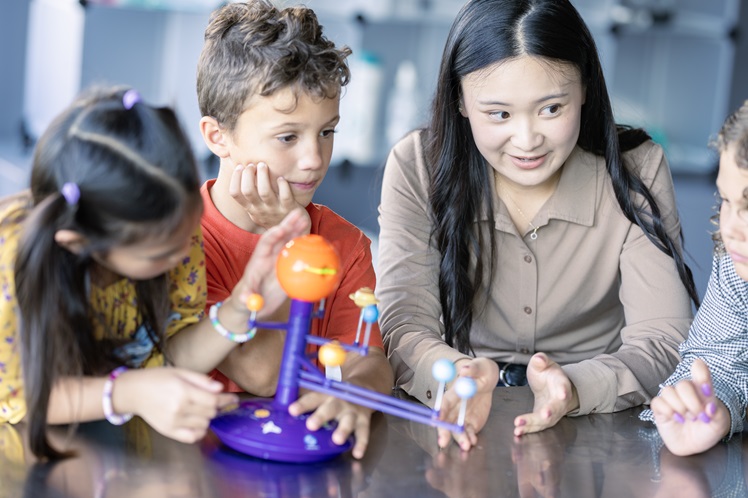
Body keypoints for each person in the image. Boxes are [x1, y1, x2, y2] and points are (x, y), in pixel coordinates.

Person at [376, 0, 699, 451]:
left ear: (584, 88)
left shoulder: (635, 169)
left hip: (602, 427)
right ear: (460, 101)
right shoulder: (417, 166)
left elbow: (664, 339)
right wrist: (456, 375)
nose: (527, 141)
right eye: (499, 114)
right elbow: (403, 322)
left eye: (551, 109)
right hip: (461, 412)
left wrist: (575, 387)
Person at [0, 86, 310, 460]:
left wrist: (243, 303)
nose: (183, 255)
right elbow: (15, 396)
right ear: (79, 243)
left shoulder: (174, 231)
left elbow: (169, 356)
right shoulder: (12, 264)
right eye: (159, 255)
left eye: (188, 232)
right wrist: (128, 392)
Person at [195, 0, 393, 459]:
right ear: (217, 136)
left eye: (327, 132)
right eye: (288, 137)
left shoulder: (347, 244)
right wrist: (291, 243)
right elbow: (263, 376)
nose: (313, 159)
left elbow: (372, 362)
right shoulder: (183, 239)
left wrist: (354, 394)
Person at [642, 101, 748, 457]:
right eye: (728, 201)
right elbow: (718, 359)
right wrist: (712, 407)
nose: (731, 229)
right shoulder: (737, 261)